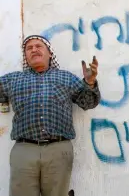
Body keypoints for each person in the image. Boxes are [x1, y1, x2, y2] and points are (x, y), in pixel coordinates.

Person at [0, 35, 101, 196]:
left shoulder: (65, 77)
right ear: (25, 55)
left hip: (58, 149)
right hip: (24, 150)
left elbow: (88, 103)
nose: (34, 50)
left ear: (49, 53)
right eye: (29, 48)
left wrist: (89, 83)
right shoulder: (13, 79)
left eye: (38, 46)